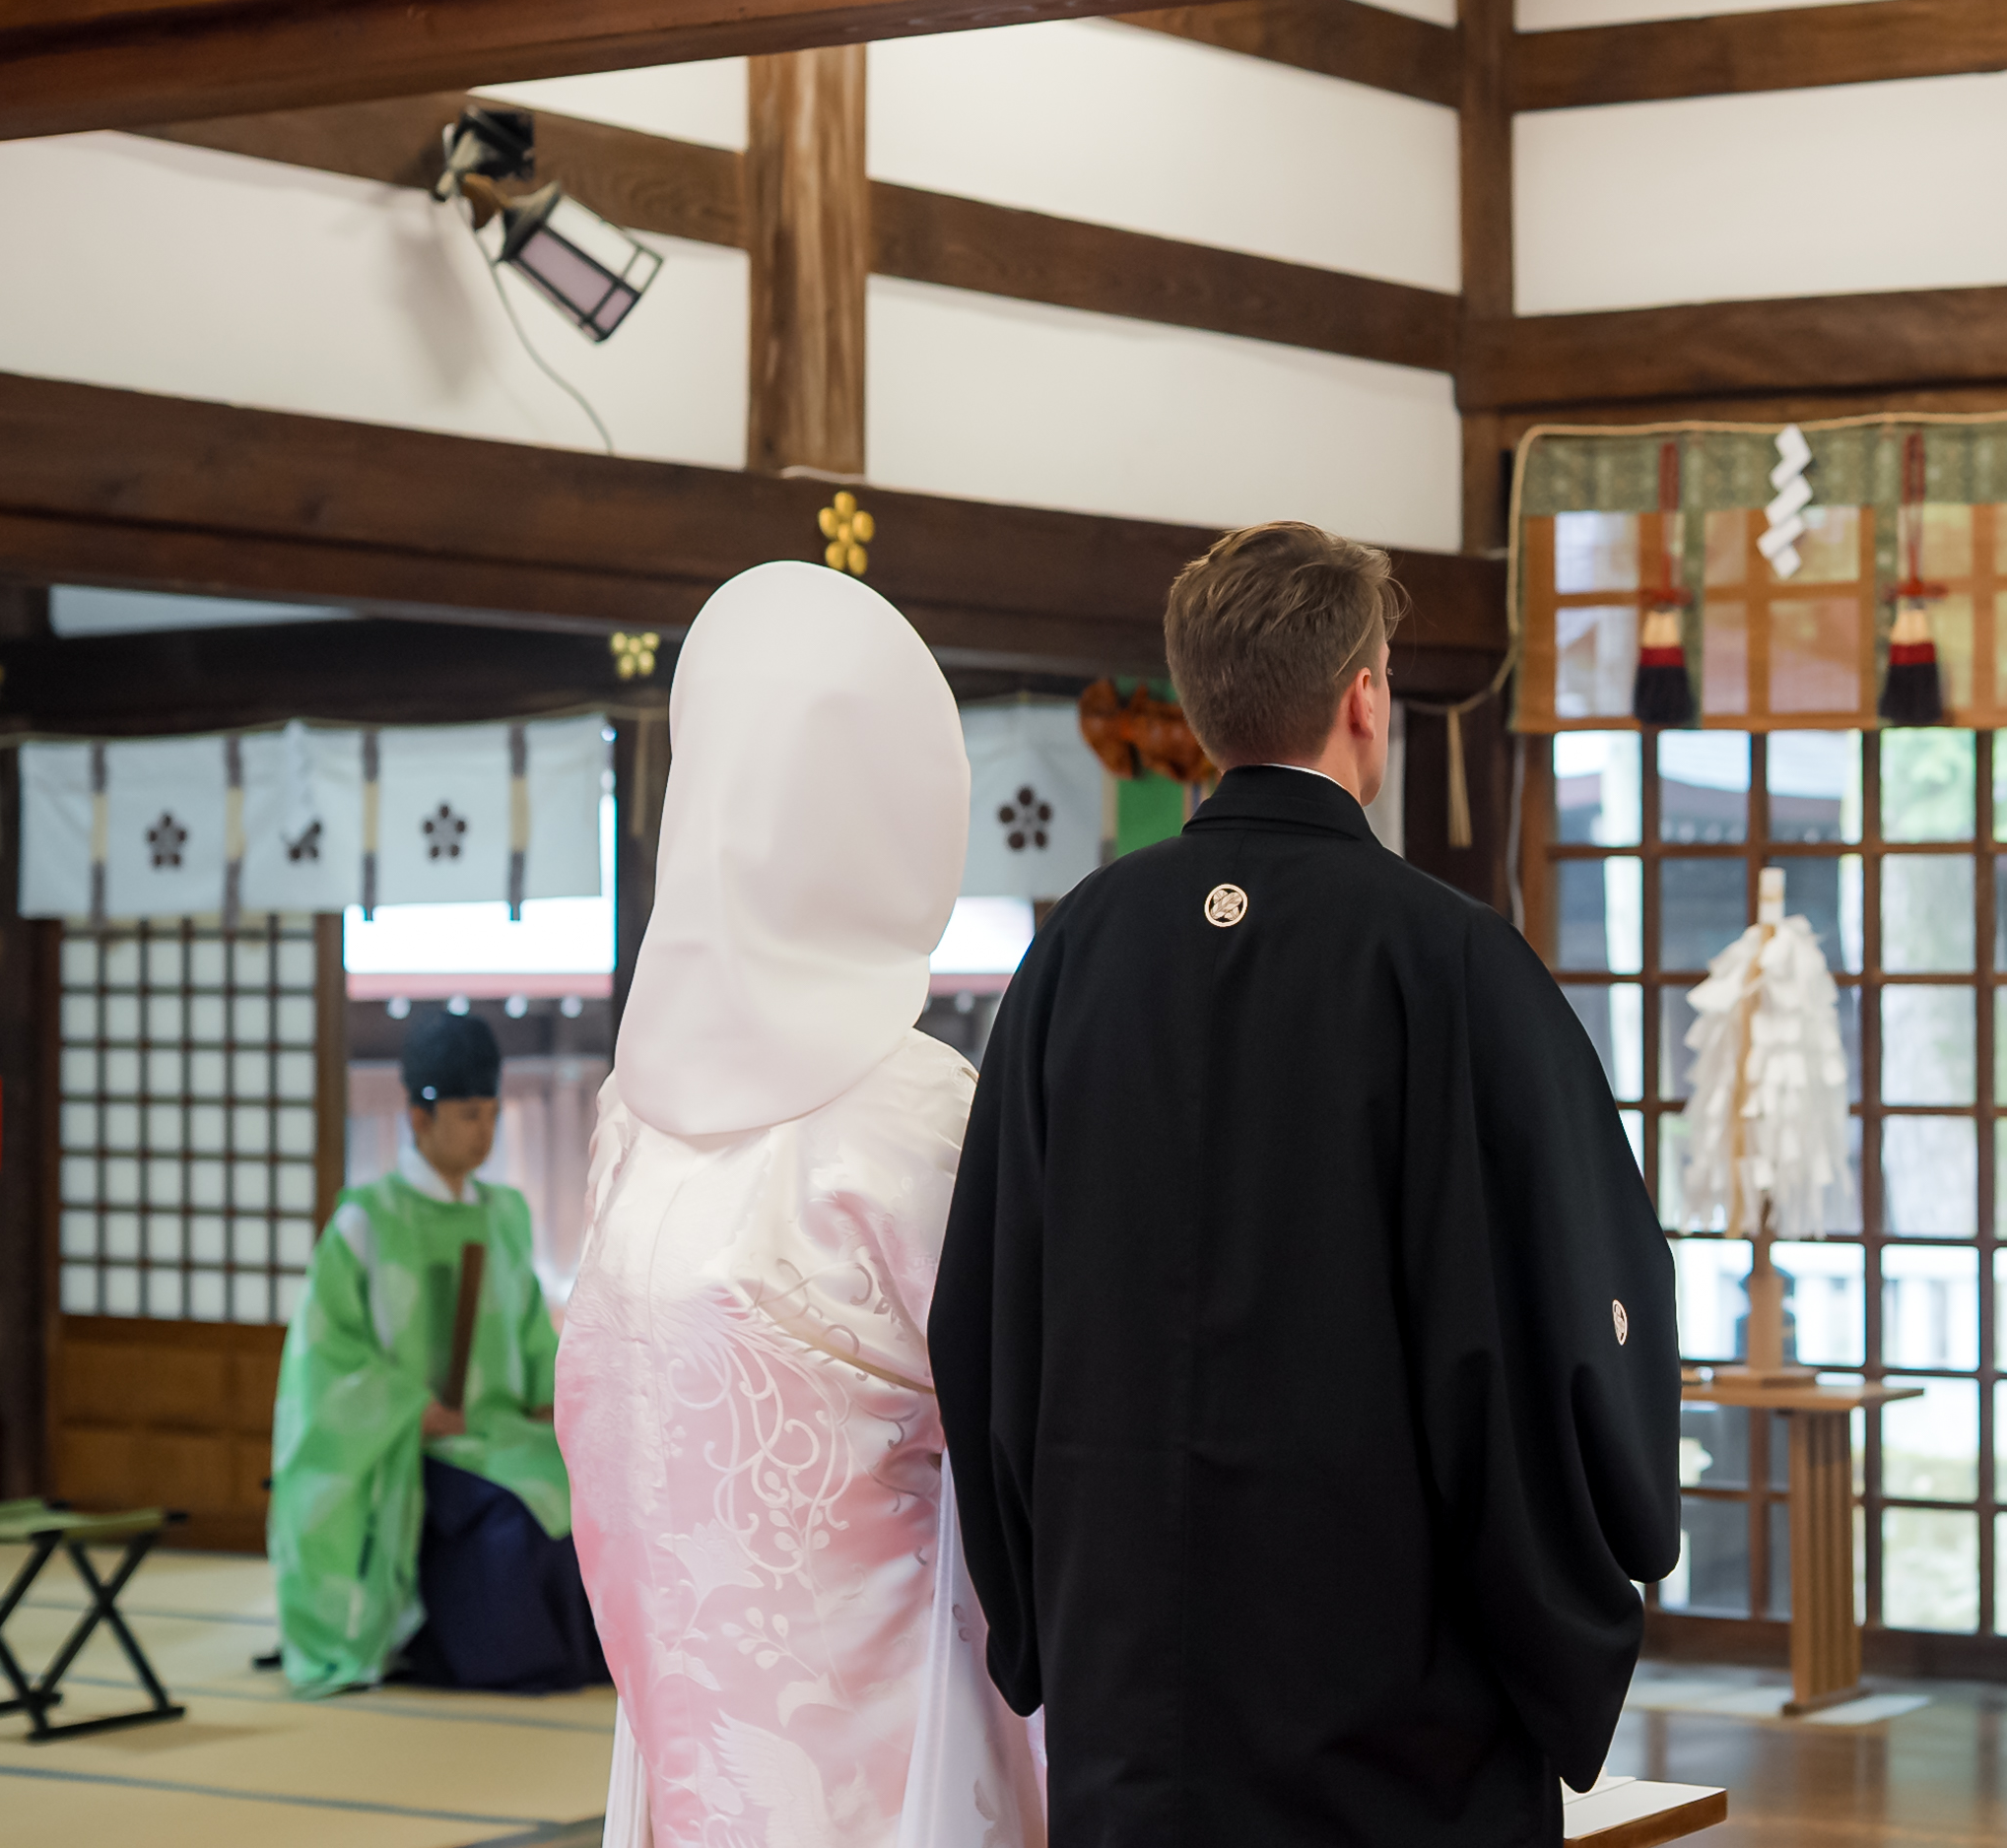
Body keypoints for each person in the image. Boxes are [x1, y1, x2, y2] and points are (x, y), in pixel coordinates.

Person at [934, 521, 1683, 1847]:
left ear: (1204, 702)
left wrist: (1054, 1630)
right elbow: (1570, 1316)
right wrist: (1566, 1620)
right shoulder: (1451, 962)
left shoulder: (1074, 961)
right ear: (1365, 697)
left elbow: (990, 1317)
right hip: (1396, 1733)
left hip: (1135, 1722)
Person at [556, 561, 1039, 1848]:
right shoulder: (918, 1116)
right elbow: (1029, 1441)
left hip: (693, 1731)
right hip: (886, 1750)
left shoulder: (630, 1115)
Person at [268, 1010, 603, 1697]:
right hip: (410, 1439)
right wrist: (410, 1407)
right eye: (468, 1115)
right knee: (513, 1515)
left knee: (581, 1487)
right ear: (419, 1119)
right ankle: (498, 1658)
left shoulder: (503, 1212)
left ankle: (587, 1659)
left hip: (501, 1430)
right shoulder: (367, 1219)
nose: (484, 1131)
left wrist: (551, 1393)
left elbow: (533, 1330)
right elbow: (326, 1351)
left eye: (489, 1114)